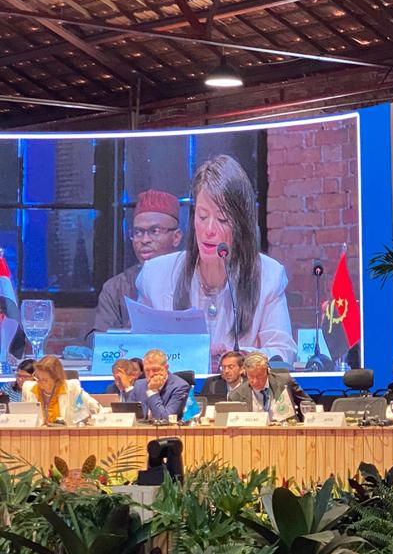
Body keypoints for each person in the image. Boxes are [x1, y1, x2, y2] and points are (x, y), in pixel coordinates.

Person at [137, 155, 296, 367]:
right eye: (202, 217)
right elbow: (138, 352)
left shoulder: (268, 275)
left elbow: (283, 352)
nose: (209, 230)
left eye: (222, 219)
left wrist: (238, 358)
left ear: (241, 226)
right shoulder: (155, 276)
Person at [94, 190, 182, 332]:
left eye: (155, 231)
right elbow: (100, 340)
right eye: (138, 232)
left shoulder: (194, 280)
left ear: (176, 237)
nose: (144, 240)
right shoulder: (116, 288)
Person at [235, 351, 314, 423]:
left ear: (268, 371)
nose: (255, 381)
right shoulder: (237, 395)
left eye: (259, 376)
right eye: (251, 377)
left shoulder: (285, 381)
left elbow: (308, 404)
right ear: (245, 373)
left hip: (286, 431)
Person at [22, 355, 100, 425]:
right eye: (38, 378)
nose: (40, 382)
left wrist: (88, 418)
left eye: (45, 380)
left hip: (65, 434)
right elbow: (24, 419)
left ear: (56, 379)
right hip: (36, 434)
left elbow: (95, 407)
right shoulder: (28, 388)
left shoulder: (72, 388)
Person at [130, 348, 191, 421]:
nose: (151, 374)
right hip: (140, 428)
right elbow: (127, 415)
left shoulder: (180, 387)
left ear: (166, 368)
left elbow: (165, 419)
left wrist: (152, 391)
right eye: (147, 370)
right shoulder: (139, 385)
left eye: (155, 370)